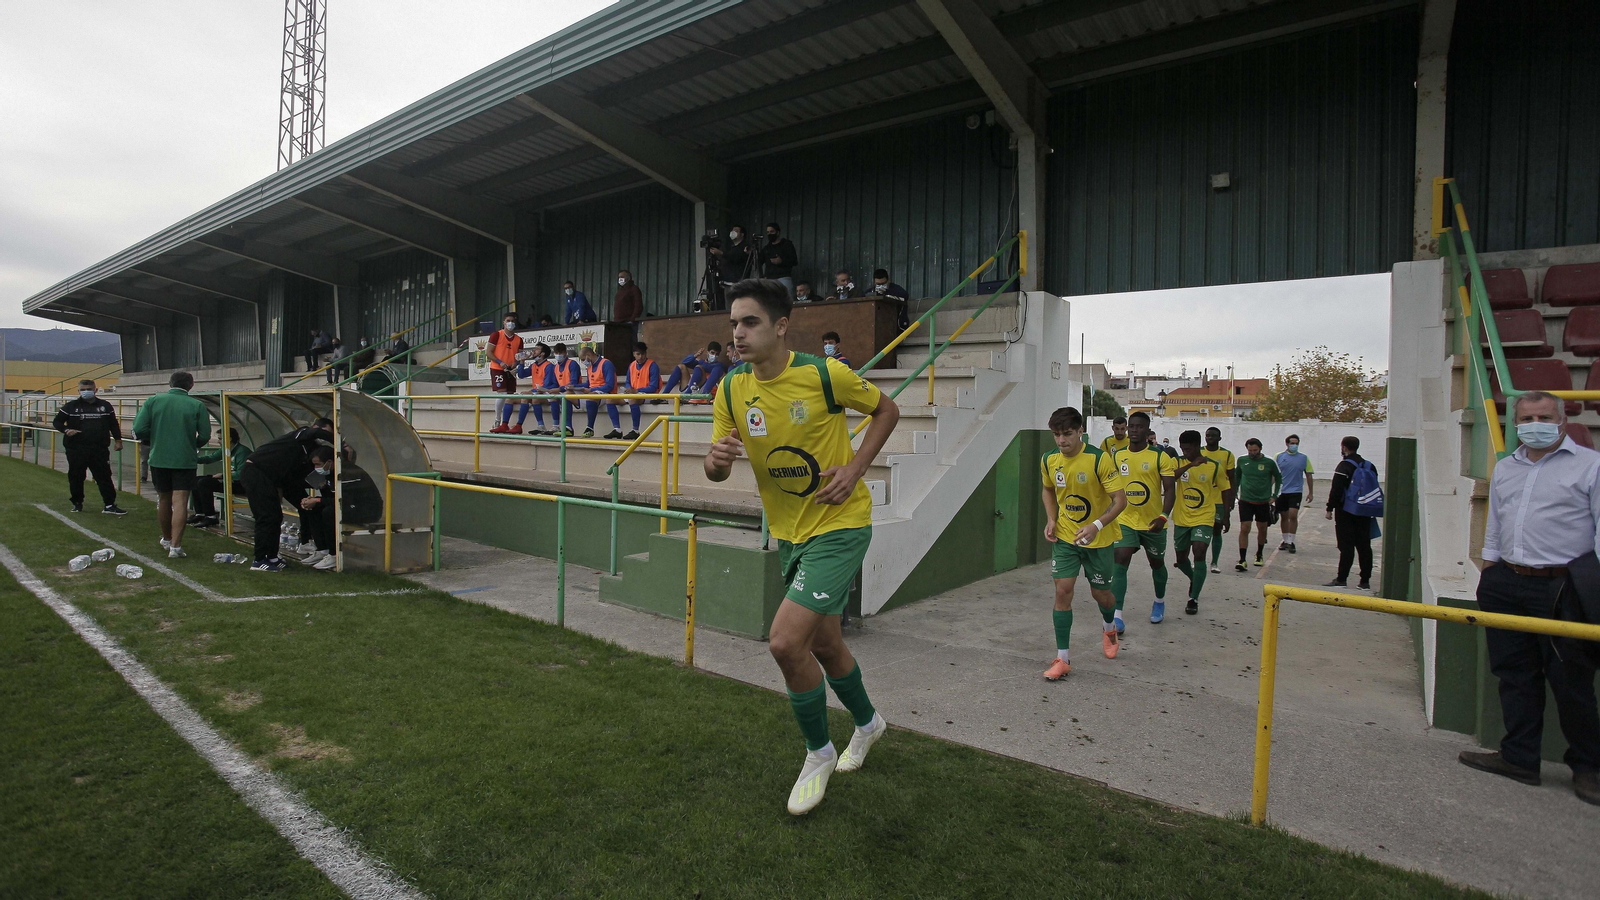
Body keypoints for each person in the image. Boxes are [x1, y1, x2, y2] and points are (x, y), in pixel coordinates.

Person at [705, 277, 901, 816]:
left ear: (781, 326)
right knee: (826, 645)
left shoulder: (822, 373)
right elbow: (716, 468)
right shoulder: (730, 389)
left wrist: (857, 467)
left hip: (839, 525)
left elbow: (887, 410)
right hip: (789, 533)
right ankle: (869, 724)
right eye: (733, 325)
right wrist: (716, 464)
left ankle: (818, 752)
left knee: (786, 643)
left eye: (750, 323)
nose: (738, 335)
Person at [1457, 391, 1600, 805]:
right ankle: (1519, 758)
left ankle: (1589, 767)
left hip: (1563, 588)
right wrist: (1489, 569)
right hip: (1508, 582)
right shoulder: (1506, 468)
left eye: (1543, 416)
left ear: (1562, 419)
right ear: (1515, 423)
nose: (1534, 424)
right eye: (1526, 417)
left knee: (1570, 681)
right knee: (1514, 674)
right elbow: (1497, 522)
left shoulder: (1590, 467)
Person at [1040, 406, 1128, 681]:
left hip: (1098, 540)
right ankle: (1062, 658)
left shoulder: (1099, 459)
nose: (1061, 440)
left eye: (1067, 434)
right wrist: (1051, 519)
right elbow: (1048, 489)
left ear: (1081, 432)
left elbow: (1120, 500)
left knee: (1101, 595)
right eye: (1056, 435)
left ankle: (1109, 625)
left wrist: (1096, 525)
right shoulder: (1049, 460)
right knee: (1062, 591)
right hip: (1066, 537)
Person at [131, 371, 211, 560]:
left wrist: (155, 437)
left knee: (164, 499)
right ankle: (176, 546)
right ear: (191, 385)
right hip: (184, 459)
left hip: (159, 457)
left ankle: (167, 538)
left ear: (170, 383)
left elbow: (139, 428)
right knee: (181, 501)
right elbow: (206, 435)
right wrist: (193, 445)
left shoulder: (154, 401)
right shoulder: (197, 405)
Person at [239, 419, 335, 572]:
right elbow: (315, 432)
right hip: (256, 472)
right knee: (266, 516)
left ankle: (272, 556)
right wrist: (341, 444)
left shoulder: (312, 450)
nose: (327, 437)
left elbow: (312, 476)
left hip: (272, 480)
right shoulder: (301, 434)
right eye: (327, 432)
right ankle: (259, 559)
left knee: (276, 516)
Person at [1111, 411, 1175, 626]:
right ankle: (1117, 614)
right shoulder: (1118, 456)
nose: (1135, 430)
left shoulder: (1160, 456)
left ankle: (1159, 601)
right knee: (1120, 558)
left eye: (1140, 427)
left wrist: (1163, 517)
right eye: (1132, 426)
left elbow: (1169, 489)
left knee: (1156, 563)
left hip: (1153, 522)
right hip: (1125, 520)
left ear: (1148, 430)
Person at [1173, 430, 1228, 616]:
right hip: (1181, 518)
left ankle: (1193, 599)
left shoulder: (1213, 466)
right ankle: (1194, 578)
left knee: (1199, 551)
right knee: (1181, 560)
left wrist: (1226, 514)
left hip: (1204, 517)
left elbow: (1226, 488)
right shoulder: (1179, 462)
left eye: (1188, 449)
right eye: (1182, 449)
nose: (1185, 452)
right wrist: (1189, 465)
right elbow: (1169, 477)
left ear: (1197, 446)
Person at [53, 378, 127, 516]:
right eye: (83, 390)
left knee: (104, 477)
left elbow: (113, 424)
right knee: (76, 477)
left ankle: (109, 505)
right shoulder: (70, 407)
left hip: (99, 449)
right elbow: (57, 422)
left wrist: (118, 440)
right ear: (78, 391)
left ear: (95, 390)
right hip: (76, 449)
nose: (86, 392)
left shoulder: (105, 406)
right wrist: (66, 430)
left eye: (89, 389)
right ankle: (77, 503)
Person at [1324, 435, 1378, 590]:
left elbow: (1336, 489)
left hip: (1346, 510)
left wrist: (1330, 508)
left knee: (1346, 546)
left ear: (1344, 447)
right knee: (1364, 546)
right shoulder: (1369, 466)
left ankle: (1342, 579)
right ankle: (1365, 581)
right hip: (1365, 510)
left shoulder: (1344, 466)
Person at [1233, 438, 1282, 571]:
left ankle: (1259, 554)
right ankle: (1242, 559)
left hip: (1262, 501)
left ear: (1260, 449)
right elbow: (1237, 476)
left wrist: (1275, 495)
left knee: (1262, 528)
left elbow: (1279, 478)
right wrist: (1235, 492)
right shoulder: (1242, 460)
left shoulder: (1269, 462)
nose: (1252, 453)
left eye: (1255, 450)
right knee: (1245, 528)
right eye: (1250, 450)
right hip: (1245, 500)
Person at [189, 428, 249, 527]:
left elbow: (241, 474)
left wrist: (222, 475)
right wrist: (193, 459)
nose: (218, 441)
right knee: (195, 480)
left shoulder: (242, 452)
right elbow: (210, 458)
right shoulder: (226, 449)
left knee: (204, 483)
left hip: (239, 484)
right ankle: (200, 514)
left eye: (220, 439)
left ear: (229, 439)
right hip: (229, 481)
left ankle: (211, 517)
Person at [483, 313, 528, 434]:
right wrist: (500, 362)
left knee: (510, 395)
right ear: (503, 322)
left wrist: (516, 363)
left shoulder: (519, 339)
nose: (510, 323)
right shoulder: (496, 335)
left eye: (513, 321)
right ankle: (497, 419)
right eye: (508, 320)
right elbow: (488, 352)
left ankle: (505, 423)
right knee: (501, 393)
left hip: (511, 370)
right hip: (498, 368)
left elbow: (520, 355)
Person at [1201, 427, 1237, 574]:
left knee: (1217, 530)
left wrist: (1232, 498)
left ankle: (1214, 562)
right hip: (1202, 500)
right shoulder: (1200, 452)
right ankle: (1199, 559)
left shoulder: (1227, 455)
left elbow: (1232, 479)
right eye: (1208, 435)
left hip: (1220, 500)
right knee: (1202, 530)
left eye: (1213, 436)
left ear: (1219, 438)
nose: (1210, 438)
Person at [1274, 434, 1314, 553]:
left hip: (1296, 491)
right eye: (1292, 443)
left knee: (1293, 515)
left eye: (1296, 443)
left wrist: (1311, 492)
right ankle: (1285, 540)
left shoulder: (1304, 458)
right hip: (1282, 491)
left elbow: (1309, 474)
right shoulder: (1279, 456)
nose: (1294, 445)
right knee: (1284, 516)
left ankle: (1291, 541)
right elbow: (1274, 474)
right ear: (1287, 444)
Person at [579, 345, 622, 439]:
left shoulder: (606, 363)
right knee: (568, 396)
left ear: (588, 355)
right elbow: (588, 384)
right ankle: (567, 427)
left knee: (591, 396)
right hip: (594, 393)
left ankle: (589, 428)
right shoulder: (589, 367)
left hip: (607, 393)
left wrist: (591, 390)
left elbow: (610, 386)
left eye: (583, 359)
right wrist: (573, 387)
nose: (583, 362)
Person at [544, 343, 584, 437]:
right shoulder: (555, 367)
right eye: (556, 353)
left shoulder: (572, 364)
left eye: (560, 352)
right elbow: (555, 383)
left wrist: (558, 389)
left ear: (565, 353)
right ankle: (556, 426)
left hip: (576, 390)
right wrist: (548, 389)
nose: (558, 355)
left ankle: (568, 427)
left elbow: (573, 382)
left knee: (566, 395)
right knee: (552, 396)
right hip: (562, 391)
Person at [513, 343, 553, 435]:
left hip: (547, 392)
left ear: (542, 354)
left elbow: (545, 386)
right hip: (537, 392)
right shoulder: (534, 365)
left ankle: (541, 425)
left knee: (529, 396)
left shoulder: (549, 366)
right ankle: (518, 425)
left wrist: (532, 391)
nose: (533, 351)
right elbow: (521, 375)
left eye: (537, 349)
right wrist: (522, 361)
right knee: (510, 399)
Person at [625, 342, 660, 440]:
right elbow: (627, 381)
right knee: (610, 400)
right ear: (634, 354)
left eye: (643, 354)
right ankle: (617, 429)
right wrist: (628, 389)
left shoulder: (653, 365)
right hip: (634, 393)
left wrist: (636, 391)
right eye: (638, 354)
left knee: (633, 400)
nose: (641, 357)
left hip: (649, 394)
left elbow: (653, 387)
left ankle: (635, 430)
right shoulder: (631, 365)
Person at [761, 223, 798, 297]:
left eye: (772, 232)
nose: (769, 234)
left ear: (777, 232)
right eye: (768, 232)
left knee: (786, 301)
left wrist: (781, 261)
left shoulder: (787, 245)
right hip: (770, 280)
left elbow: (794, 261)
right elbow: (758, 261)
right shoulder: (767, 248)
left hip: (783, 278)